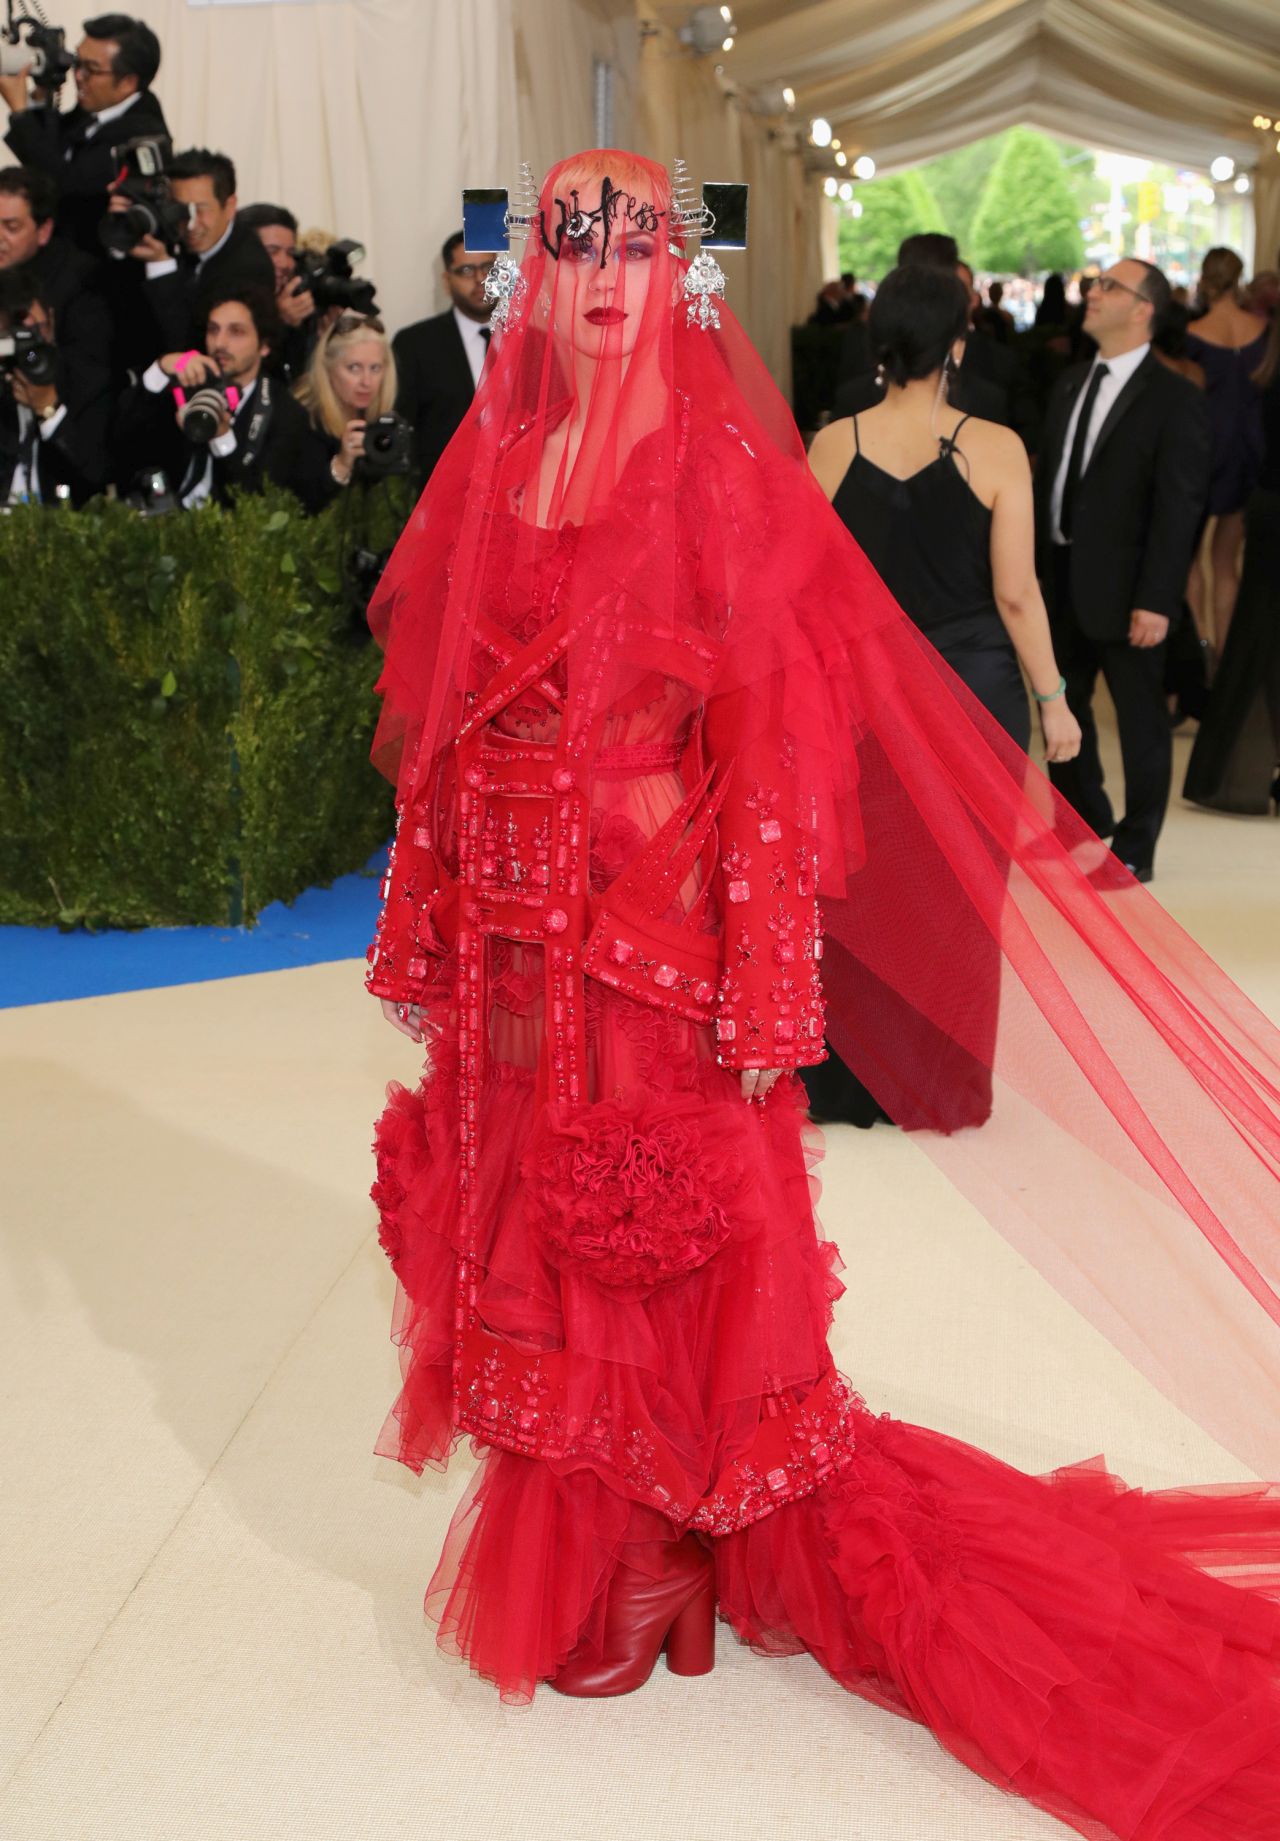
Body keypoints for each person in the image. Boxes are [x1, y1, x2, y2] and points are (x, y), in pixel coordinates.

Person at [363, 148, 1280, 1840]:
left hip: (649, 923)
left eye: (637, 246)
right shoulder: (508, 453)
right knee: (530, 1215)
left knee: (648, 1220)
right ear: (537, 275)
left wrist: (763, 969)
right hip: (516, 922)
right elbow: (439, 712)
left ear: (677, 272)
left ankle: (658, 1538)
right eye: (576, 248)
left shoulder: (716, 464)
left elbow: (776, 741)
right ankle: (621, 1527)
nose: (607, 277)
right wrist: (436, 909)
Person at [802, 264, 1080, 1126]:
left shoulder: (832, 445)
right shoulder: (996, 447)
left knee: (861, 880)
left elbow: (807, 587)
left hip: (861, 692)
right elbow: (1016, 594)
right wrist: (1054, 697)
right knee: (963, 889)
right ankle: (941, 1084)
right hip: (973, 690)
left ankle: (847, 1079)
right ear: (959, 344)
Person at [1035, 258, 1210, 882]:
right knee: (1061, 700)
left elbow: (1179, 507)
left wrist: (1158, 598)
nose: (1093, 292)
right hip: (1060, 574)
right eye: (1094, 284)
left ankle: (1136, 846)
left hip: (1131, 585)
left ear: (1143, 310)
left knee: (1140, 720)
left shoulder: (1174, 398)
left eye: (1109, 286)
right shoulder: (1070, 383)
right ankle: (1080, 816)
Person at [112, 284, 329, 510]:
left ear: (264, 346)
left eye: (236, 332)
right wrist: (160, 370)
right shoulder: (188, 383)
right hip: (162, 515)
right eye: (213, 330)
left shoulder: (286, 413)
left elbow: (256, 502)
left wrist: (222, 439)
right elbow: (121, 442)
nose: (220, 343)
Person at [1184, 308, 1280, 813]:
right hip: (1265, 496)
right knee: (1255, 629)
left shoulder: (1269, 364)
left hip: (1263, 498)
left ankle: (1208, 648)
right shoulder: (1261, 348)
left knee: (1256, 636)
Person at [0, 12, 167, 258]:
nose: (78, 76)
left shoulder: (141, 132)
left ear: (128, 82)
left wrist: (20, 112)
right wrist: (40, 93)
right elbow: (50, 149)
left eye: (91, 69)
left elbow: (65, 185)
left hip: (95, 266)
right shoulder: (97, 108)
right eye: (77, 62)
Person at [111, 147, 275, 358]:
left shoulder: (249, 268)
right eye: (181, 208)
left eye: (201, 209)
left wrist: (160, 266)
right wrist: (124, 229)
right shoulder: (168, 232)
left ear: (230, 206)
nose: (190, 223)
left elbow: (194, 352)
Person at [1184, 247, 1269, 651]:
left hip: (1203, 451)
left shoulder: (1193, 334)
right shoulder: (1263, 330)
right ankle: (1225, 655)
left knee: (1189, 563)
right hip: (1249, 449)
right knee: (1226, 562)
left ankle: (1200, 647)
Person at [0, 165, 112, 411]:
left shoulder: (81, 281)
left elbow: (81, 375)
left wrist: (31, 349)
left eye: (12, 227)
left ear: (43, 231)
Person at [392, 230, 494, 485]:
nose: (481, 279)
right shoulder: (414, 344)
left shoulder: (534, 340)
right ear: (447, 281)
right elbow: (403, 430)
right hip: (441, 490)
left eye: (488, 268)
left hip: (525, 493)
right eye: (467, 271)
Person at [0, 266, 108, 503]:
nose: (28, 345)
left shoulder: (85, 380)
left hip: (59, 517)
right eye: (13, 332)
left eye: (34, 331)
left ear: (50, 321)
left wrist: (48, 408)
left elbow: (93, 477)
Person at [295, 310, 397, 497]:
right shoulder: (301, 420)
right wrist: (341, 465)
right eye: (354, 368)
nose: (366, 382)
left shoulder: (384, 422)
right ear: (328, 368)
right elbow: (299, 503)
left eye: (375, 368)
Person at [237, 201, 321, 383]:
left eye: (290, 253)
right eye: (272, 251)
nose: (285, 263)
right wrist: (279, 322)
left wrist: (324, 332)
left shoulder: (296, 301)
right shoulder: (218, 301)